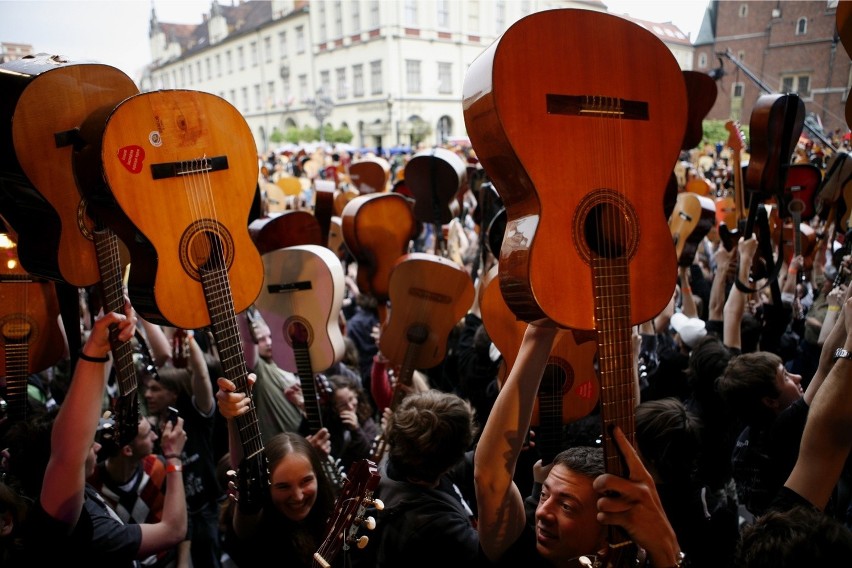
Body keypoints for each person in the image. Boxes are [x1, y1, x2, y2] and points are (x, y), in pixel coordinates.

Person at [475, 322, 683, 568]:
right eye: (543, 495)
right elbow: (488, 475)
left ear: (608, 527)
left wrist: (665, 549)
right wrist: (538, 335)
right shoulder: (523, 554)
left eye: (567, 506)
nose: (542, 512)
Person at [3, 300, 188, 566]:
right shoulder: (87, 529)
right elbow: (173, 531)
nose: (99, 448)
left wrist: (104, 347)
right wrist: (174, 460)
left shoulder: (39, 484)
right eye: (90, 446)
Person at [735, 294, 852, 566]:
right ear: (769, 401)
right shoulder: (784, 430)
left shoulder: (744, 443)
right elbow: (825, 369)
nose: (797, 376)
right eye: (785, 376)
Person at [215, 378, 339, 567]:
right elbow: (244, 470)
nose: (297, 496)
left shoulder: (331, 514)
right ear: (265, 486)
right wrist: (233, 418)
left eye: (306, 481)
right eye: (283, 486)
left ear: (319, 477)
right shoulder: (257, 532)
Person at [352, 389, 480, 568]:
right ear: (450, 461)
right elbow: (494, 555)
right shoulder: (434, 525)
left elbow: (460, 465)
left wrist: (494, 452)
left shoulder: (399, 459)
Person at [141, 323, 222, 568]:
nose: (148, 395)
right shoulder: (151, 429)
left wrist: (187, 334)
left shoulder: (195, 418)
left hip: (205, 508)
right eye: (147, 389)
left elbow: (200, 374)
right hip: (172, 515)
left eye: (156, 389)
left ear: (174, 394)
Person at [87, 415, 189, 568]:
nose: (155, 436)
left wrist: (183, 563)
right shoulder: (93, 484)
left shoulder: (159, 466)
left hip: (167, 560)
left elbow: (184, 517)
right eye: (148, 434)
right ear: (128, 450)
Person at [324, 373, 380, 475]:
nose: (350, 407)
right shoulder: (329, 423)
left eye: (351, 399)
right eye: (342, 405)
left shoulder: (366, 419)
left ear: (357, 395)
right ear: (333, 408)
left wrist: (356, 429)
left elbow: (369, 456)